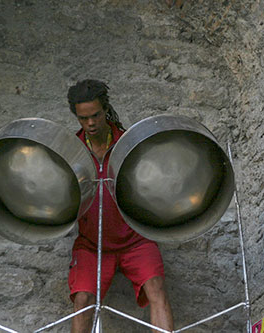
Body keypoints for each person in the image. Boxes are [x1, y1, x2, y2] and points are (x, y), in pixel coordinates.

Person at [67, 79, 174, 333]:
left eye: (95, 115)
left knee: (156, 287)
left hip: (135, 238)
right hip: (91, 243)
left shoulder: (128, 142)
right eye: (83, 119)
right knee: (82, 300)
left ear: (105, 110)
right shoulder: (71, 149)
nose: (90, 123)